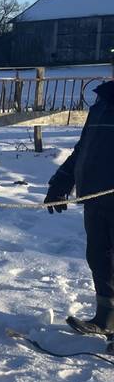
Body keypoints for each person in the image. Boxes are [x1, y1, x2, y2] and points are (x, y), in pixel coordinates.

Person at [44, 79, 114, 336]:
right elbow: (84, 147)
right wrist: (61, 181)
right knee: (100, 258)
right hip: (96, 196)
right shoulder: (102, 103)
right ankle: (106, 317)